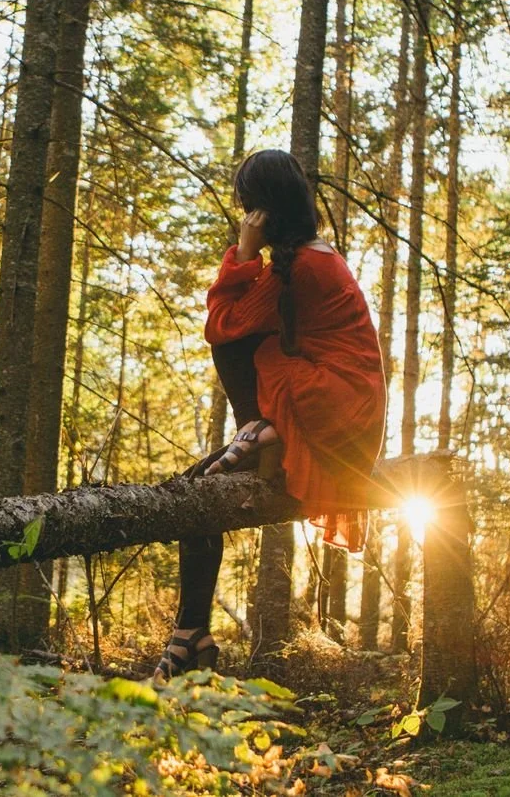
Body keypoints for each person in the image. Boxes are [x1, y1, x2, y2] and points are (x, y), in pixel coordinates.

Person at [155, 149, 387, 678]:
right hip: (337, 407)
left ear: (263, 209)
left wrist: (242, 251)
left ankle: (259, 430)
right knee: (197, 489)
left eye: (249, 207)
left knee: (240, 343)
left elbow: (221, 324)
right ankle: (191, 632)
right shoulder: (308, 257)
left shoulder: (302, 266)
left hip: (331, 407)